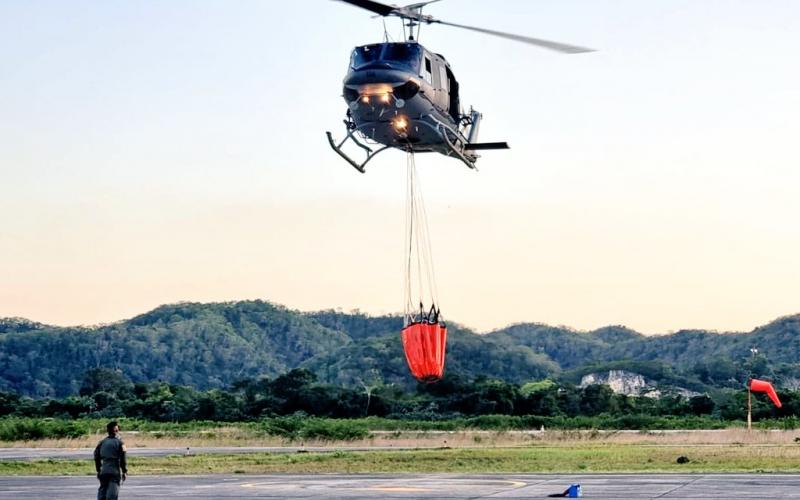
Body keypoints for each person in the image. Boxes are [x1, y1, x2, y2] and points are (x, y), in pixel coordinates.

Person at [94, 421, 128, 500]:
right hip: (114, 471)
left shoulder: (101, 442)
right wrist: (124, 471)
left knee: (102, 492)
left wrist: (98, 470)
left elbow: (96, 456)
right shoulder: (120, 443)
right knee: (112, 495)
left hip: (103, 471)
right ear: (116, 430)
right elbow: (123, 458)